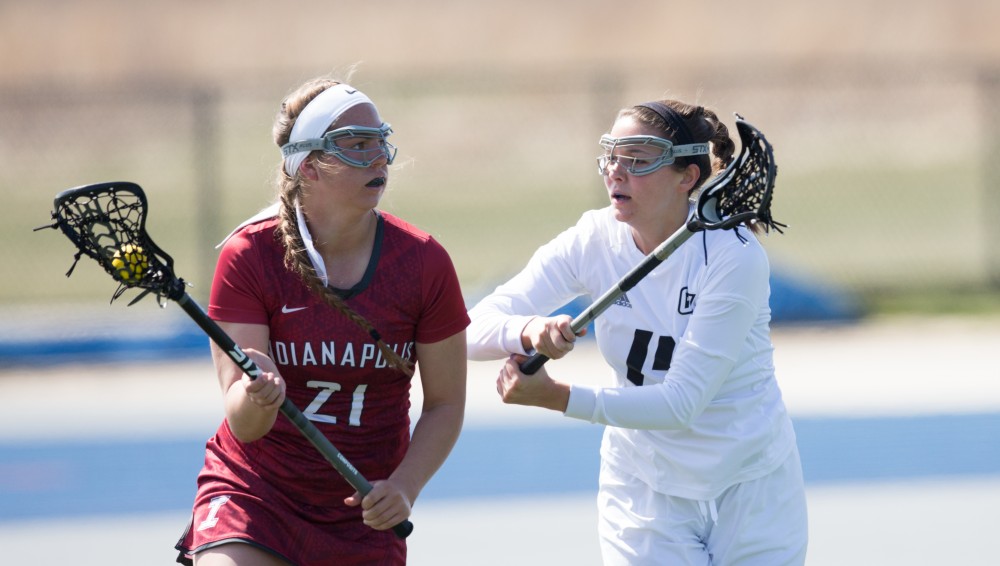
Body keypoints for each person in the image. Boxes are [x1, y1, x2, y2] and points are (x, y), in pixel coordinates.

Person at [467, 99, 808, 565]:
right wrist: (529, 330)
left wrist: (555, 396)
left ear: (687, 177)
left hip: (750, 484)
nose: (616, 172)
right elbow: (470, 330)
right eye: (612, 156)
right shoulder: (593, 238)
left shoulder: (735, 256)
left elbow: (681, 404)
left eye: (639, 160)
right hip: (644, 490)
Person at [175, 75, 469, 565]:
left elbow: (445, 404)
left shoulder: (423, 261)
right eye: (355, 145)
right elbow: (245, 426)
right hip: (256, 493)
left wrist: (404, 486)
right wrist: (256, 395)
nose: (378, 157)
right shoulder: (249, 254)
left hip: (362, 511)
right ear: (309, 166)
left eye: (380, 141)